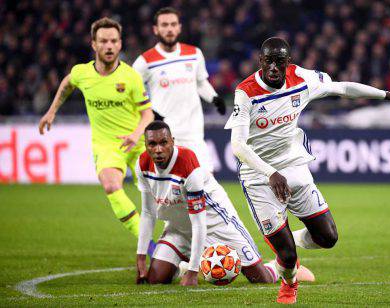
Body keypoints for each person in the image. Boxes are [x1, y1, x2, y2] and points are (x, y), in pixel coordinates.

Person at [225, 37, 390, 304]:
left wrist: (385, 95)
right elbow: (237, 146)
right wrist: (270, 173)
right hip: (258, 176)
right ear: (260, 62)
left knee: (328, 238)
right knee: (289, 258)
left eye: (279, 62)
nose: (273, 67)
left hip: (294, 166)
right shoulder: (245, 92)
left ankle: (287, 239)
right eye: (268, 61)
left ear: (287, 63)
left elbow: (342, 88)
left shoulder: (302, 79)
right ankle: (290, 282)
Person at [135, 121, 315, 285]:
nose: (158, 149)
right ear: (145, 145)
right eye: (152, 144)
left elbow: (199, 223)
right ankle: (182, 265)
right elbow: (148, 213)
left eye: (163, 143)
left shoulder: (188, 164)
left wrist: (193, 272)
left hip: (218, 224)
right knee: (155, 280)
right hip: (178, 229)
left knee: (262, 280)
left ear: (172, 141)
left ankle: (279, 266)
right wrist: (141, 258)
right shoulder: (142, 164)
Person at [39, 17, 154, 240]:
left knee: (165, 195)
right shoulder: (82, 73)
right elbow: (67, 83)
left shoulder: (131, 77)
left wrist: (135, 134)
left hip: (138, 142)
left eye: (113, 41)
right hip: (107, 144)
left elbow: (147, 113)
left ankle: (180, 245)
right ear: (94, 44)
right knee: (111, 186)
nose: (108, 46)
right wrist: (51, 111)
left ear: (120, 44)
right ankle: (149, 244)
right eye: (103, 41)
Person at [132, 7, 226, 173]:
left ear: (179, 27)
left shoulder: (194, 54)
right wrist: (150, 111)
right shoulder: (144, 61)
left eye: (173, 24)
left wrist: (214, 98)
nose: (169, 28)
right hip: (164, 134)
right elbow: (132, 92)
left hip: (193, 131)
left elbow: (201, 83)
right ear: (156, 29)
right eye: (164, 24)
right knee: (169, 188)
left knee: (205, 178)